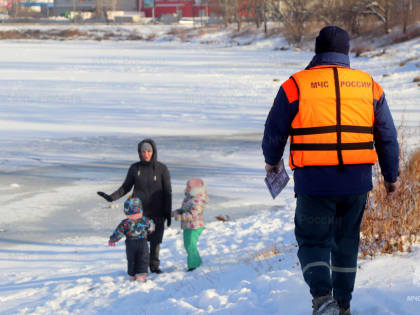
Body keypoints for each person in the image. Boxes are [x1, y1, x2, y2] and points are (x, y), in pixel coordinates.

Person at [262, 26, 399, 315]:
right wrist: (391, 176)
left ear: (317, 49)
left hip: (314, 183)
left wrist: (272, 161)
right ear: (347, 51)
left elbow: (275, 130)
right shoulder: (369, 85)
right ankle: (344, 304)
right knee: (346, 241)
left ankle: (323, 300)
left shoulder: (295, 85)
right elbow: (386, 134)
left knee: (313, 239)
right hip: (356, 181)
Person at [98, 139, 172, 274]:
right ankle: (139, 266)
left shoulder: (162, 169)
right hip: (138, 212)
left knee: (156, 240)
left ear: (153, 152)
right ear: (139, 152)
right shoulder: (135, 168)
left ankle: (154, 265)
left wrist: (167, 212)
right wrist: (111, 198)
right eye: (143, 151)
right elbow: (125, 187)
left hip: (157, 210)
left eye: (149, 151)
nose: (146, 154)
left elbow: (167, 192)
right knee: (140, 240)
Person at [109, 197, 155, 282]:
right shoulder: (145, 220)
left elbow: (118, 232)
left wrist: (113, 240)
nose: (135, 216)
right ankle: (140, 274)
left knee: (132, 258)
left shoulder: (125, 223)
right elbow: (151, 227)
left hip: (131, 243)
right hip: (142, 242)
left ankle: (132, 274)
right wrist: (149, 231)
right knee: (142, 258)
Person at [172, 178, 208, 272]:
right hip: (189, 226)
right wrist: (176, 212)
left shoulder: (198, 200)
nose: (186, 188)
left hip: (194, 226)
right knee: (188, 245)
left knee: (190, 245)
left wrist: (179, 217)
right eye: (187, 186)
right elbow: (185, 209)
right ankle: (197, 261)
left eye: (189, 187)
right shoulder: (190, 197)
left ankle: (193, 265)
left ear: (195, 189)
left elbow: (192, 214)